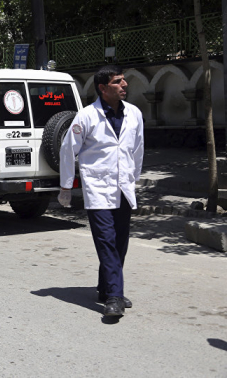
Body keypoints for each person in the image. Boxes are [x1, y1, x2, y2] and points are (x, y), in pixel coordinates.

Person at [58, 65, 144, 317]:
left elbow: (138, 149)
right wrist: (66, 185)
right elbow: (67, 150)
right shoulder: (86, 116)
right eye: (118, 82)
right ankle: (115, 297)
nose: (125, 85)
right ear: (103, 88)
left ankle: (106, 288)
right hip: (97, 188)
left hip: (124, 187)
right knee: (106, 242)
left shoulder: (135, 114)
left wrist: (134, 178)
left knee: (120, 242)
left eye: (124, 80)